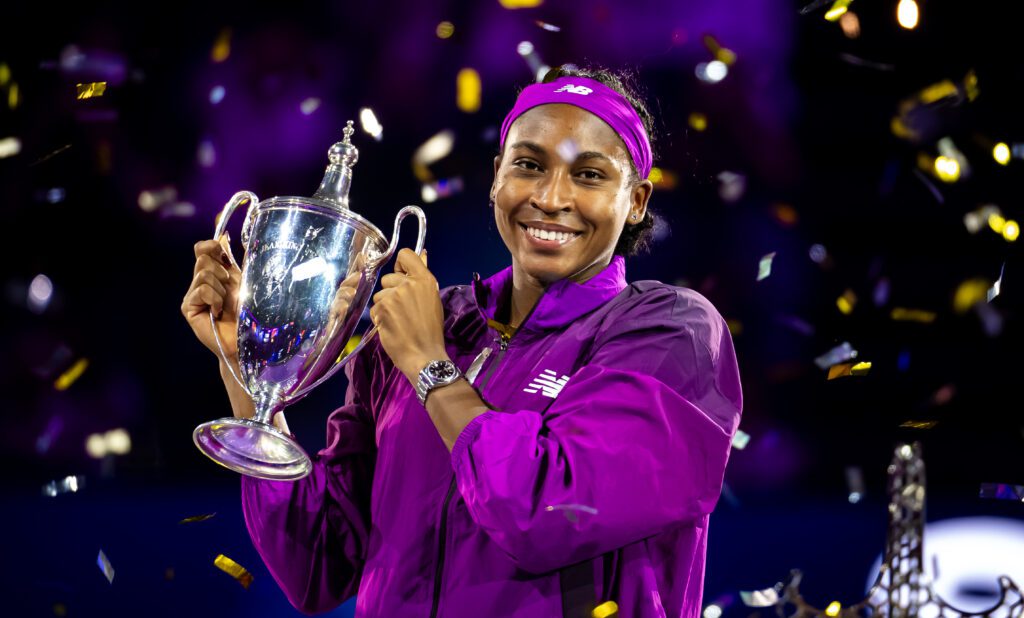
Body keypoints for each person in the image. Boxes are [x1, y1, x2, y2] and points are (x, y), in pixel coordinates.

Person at [182, 65, 743, 618]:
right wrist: (245, 366)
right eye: (529, 165)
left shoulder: (668, 333)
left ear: (637, 200)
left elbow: (546, 515)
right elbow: (318, 566)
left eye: (589, 175)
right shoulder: (425, 324)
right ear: (498, 176)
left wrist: (430, 367)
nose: (551, 197)